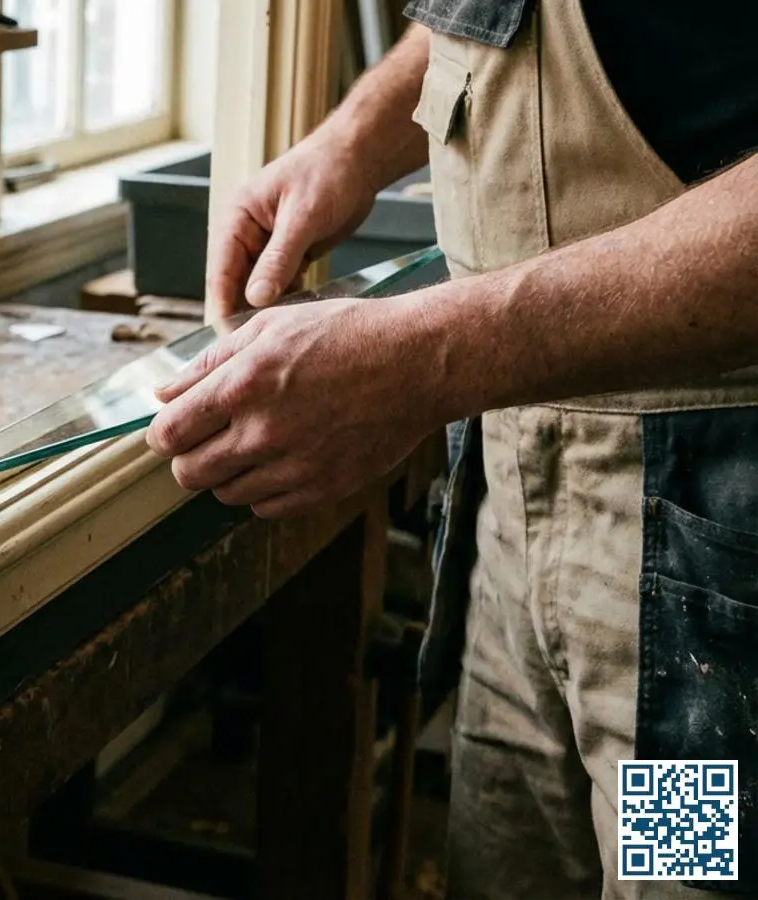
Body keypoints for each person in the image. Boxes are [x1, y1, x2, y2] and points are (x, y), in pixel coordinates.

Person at [144, 1, 758, 897]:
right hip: (509, 514)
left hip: (692, 558)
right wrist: (352, 140)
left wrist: (428, 355)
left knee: (675, 874)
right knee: (507, 868)